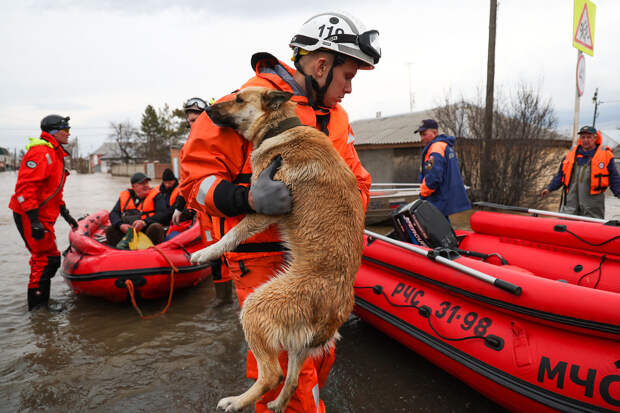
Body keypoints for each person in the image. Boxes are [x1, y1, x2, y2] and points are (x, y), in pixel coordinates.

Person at [179, 11, 377, 412]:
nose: (350, 89)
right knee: (293, 387)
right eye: (349, 76)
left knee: (319, 364)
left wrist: (331, 224)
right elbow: (193, 181)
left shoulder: (336, 117)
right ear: (322, 65)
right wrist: (247, 200)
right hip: (262, 262)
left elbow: (359, 182)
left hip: (321, 267)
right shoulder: (242, 104)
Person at [9, 114, 78, 311]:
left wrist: (65, 213)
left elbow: (52, 190)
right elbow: (25, 189)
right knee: (44, 260)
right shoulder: (41, 153)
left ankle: (42, 307)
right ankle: (38, 312)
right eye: (66, 130)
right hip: (30, 214)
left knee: (51, 259)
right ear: (54, 132)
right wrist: (33, 220)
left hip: (43, 215)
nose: (69, 134)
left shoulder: (55, 154)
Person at [175, 99, 234, 307]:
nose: (193, 123)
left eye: (197, 118)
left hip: (225, 211)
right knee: (215, 256)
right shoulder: (188, 148)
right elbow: (188, 182)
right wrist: (180, 206)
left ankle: (231, 297)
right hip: (206, 215)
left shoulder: (222, 140)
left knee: (231, 254)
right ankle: (223, 299)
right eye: (190, 120)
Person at [541, 125, 620, 219]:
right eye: (583, 137)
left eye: (589, 137)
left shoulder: (606, 155)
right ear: (580, 138)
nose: (585, 140)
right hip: (570, 204)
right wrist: (549, 188)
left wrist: (618, 193)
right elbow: (560, 175)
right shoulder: (570, 155)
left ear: (595, 138)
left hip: (592, 205)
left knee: (591, 229)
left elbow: (614, 178)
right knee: (564, 228)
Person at [416, 119, 471, 218]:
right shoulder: (446, 146)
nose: (421, 138)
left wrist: (423, 194)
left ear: (435, 132)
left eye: (424, 134)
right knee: (443, 227)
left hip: (437, 199)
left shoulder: (435, 149)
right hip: (445, 197)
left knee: (433, 229)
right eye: (421, 135)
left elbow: (433, 177)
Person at [105, 172, 170, 246]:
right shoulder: (125, 196)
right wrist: (120, 225)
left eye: (147, 183)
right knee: (110, 229)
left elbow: (163, 214)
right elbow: (113, 213)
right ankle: (119, 252)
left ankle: (152, 251)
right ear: (133, 186)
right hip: (128, 233)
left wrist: (144, 222)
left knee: (156, 227)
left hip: (147, 231)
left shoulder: (156, 196)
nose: (146, 186)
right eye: (142, 183)